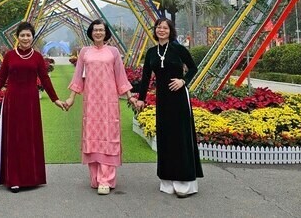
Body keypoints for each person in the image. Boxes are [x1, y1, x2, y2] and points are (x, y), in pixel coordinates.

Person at [0, 22, 68, 192]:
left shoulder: (37, 57)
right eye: (22, 35)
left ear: (32, 37)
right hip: (13, 101)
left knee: (29, 138)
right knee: (14, 139)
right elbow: (0, 79)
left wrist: (55, 99)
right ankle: (14, 179)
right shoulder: (10, 56)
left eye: (28, 35)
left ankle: (31, 178)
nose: (25, 38)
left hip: (30, 102)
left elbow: (45, 79)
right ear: (17, 37)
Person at [133, 17, 203, 198]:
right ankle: (167, 180)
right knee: (165, 137)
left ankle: (185, 182)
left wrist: (183, 81)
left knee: (181, 136)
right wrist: (140, 99)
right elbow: (146, 78)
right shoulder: (151, 53)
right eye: (158, 27)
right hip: (162, 99)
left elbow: (194, 68)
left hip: (179, 98)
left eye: (165, 28)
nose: (161, 30)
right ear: (155, 31)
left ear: (171, 31)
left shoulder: (178, 49)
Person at [65, 19, 133, 195]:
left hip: (109, 101)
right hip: (92, 102)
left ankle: (106, 179)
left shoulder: (113, 52)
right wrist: (71, 98)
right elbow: (77, 76)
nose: (98, 33)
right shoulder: (84, 53)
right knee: (93, 137)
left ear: (106, 32)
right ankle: (95, 178)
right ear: (91, 32)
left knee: (109, 135)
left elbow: (121, 76)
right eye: (95, 30)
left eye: (101, 30)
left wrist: (130, 96)